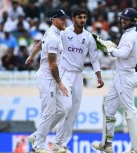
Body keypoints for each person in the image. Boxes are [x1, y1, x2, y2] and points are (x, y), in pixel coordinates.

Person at [26, 9, 104, 153]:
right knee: (65, 107)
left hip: (78, 75)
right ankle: (55, 143)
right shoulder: (62, 33)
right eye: (79, 17)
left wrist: (98, 75)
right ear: (74, 18)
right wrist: (32, 55)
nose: (82, 20)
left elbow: (94, 58)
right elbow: (44, 45)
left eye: (84, 17)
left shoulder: (89, 37)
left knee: (72, 111)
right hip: (64, 73)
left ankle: (56, 142)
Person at [92, 8, 137, 153]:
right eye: (122, 18)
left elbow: (123, 53)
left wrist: (109, 49)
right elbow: (130, 54)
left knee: (130, 111)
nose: (123, 21)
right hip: (122, 76)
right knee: (108, 107)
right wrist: (110, 45)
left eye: (126, 19)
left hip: (125, 76)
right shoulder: (129, 34)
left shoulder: (130, 36)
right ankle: (106, 144)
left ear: (134, 21)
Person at [28, 9, 69, 153]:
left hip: (51, 79)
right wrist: (60, 83)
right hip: (47, 79)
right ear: (53, 20)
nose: (65, 21)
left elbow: (39, 44)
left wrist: (31, 56)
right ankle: (38, 145)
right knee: (49, 113)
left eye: (65, 18)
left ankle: (37, 135)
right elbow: (52, 64)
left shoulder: (52, 33)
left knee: (62, 111)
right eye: (61, 19)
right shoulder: (53, 37)